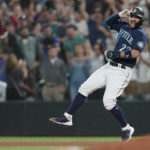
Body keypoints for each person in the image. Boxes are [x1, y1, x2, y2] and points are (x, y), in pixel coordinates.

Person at [49, 7, 147, 142]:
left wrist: (116, 54)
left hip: (122, 71)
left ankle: (126, 128)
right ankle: (68, 117)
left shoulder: (140, 33)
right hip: (109, 67)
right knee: (84, 88)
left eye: (136, 17)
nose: (132, 18)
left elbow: (136, 53)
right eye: (131, 16)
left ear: (141, 20)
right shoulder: (124, 25)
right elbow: (107, 22)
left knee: (108, 102)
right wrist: (120, 14)